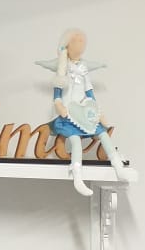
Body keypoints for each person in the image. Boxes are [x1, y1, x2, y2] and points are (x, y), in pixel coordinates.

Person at [40, 29, 137, 195]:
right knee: (75, 140)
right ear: (67, 45)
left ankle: (118, 167)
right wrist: (59, 106)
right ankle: (77, 177)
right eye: (76, 41)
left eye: (82, 41)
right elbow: (57, 95)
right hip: (67, 115)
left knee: (103, 134)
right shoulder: (62, 68)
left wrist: (98, 111)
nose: (80, 44)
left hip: (84, 112)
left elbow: (89, 93)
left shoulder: (83, 68)